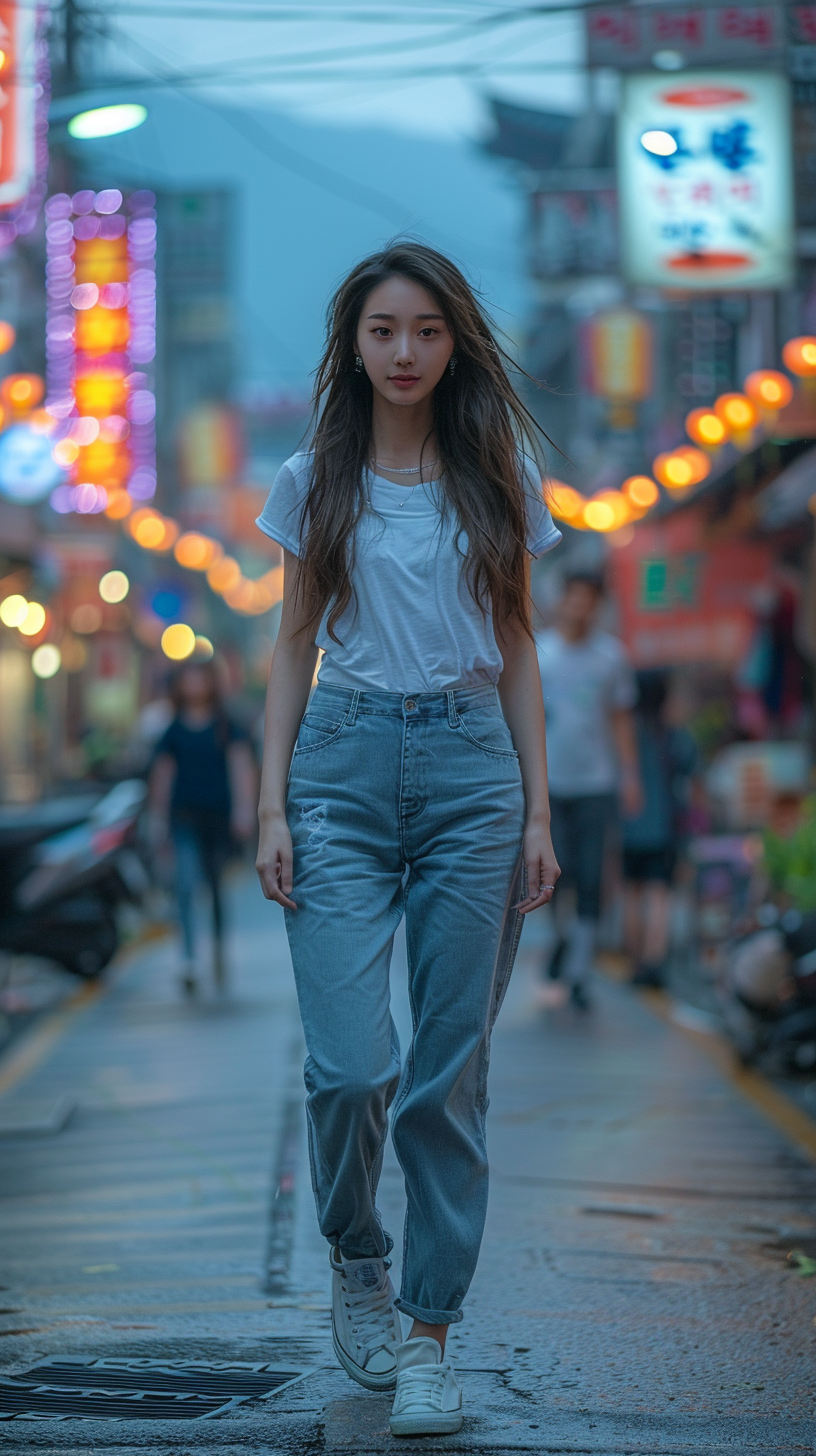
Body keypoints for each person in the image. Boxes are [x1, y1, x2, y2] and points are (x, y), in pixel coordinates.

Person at [254, 242, 561, 1438]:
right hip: (338, 764)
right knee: (351, 1066)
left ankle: (430, 1337)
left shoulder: (498, 476)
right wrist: (273, 800)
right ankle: (358, 1256)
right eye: (384, 330)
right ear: (354, 343)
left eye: (426, 330)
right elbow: (290, 643)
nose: (404, 352)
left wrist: (537, 808)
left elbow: (523, 644)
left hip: (473, 772)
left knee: (446, 1074)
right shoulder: (311, 481)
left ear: (454, 343)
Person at [535, 571, 641, 1009]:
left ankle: (579, 970)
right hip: (550, 783)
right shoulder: (540, 653)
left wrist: (630, 775)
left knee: (594, 875)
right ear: (562, 600)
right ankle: (562, 938)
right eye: (573, 598)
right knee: (557, 874)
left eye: (588, 600)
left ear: (597, 606)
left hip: (596, 782)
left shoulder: (611, 657)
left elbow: (620, 719)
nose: (579, 608)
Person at [149, 659, 257, 994]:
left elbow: (242, 769)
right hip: (183, 817)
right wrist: (158, 819)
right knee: (184, 883)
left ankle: (219, 951)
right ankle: (188, 957)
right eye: (188, 680)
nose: (194, 686)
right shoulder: (173, 729)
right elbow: (162, 776)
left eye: (200, 679)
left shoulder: (228, 725)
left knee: (215, 888)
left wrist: (245, 811)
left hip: (219, 818)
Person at [622, 669, 696, 988]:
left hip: (628, 827)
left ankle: (635, 964)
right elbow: (691, 779)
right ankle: (654, 962)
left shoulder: (626, 733)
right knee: (659, 895)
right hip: (664, 829)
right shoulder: (673, 735)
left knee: (631, 894)